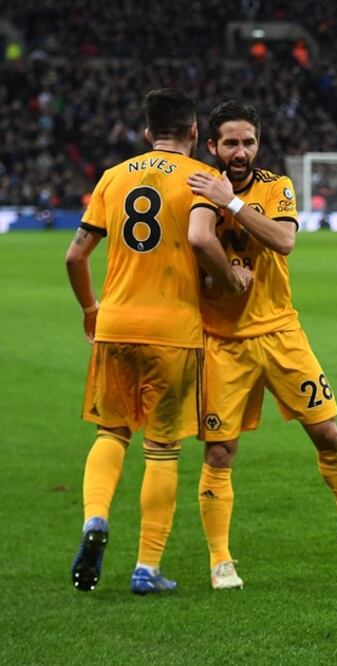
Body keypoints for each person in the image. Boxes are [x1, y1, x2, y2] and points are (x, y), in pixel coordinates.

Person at [186, 101, 337, 589]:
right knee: (219, 452)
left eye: (248, 141)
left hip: (280, 332)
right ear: (212, 145)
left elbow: (283, 241)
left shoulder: (276, 186)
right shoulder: (196, 189)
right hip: (222, 341)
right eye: (230, 142)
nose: (240, 150)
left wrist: (230, 202)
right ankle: (220, 559)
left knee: (328, 434)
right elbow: (194, 243)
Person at [66, 88, 251, 595]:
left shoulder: (113, 177)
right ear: (195, 133)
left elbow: (74, 257)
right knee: (163, 449)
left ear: (147, 133)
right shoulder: (202, 180)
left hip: (116, 325)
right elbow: (200, 238)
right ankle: (147, 568)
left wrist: (90, 310)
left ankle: (96, 519)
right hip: (173, 330)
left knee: (112, 433)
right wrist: (232, 279)